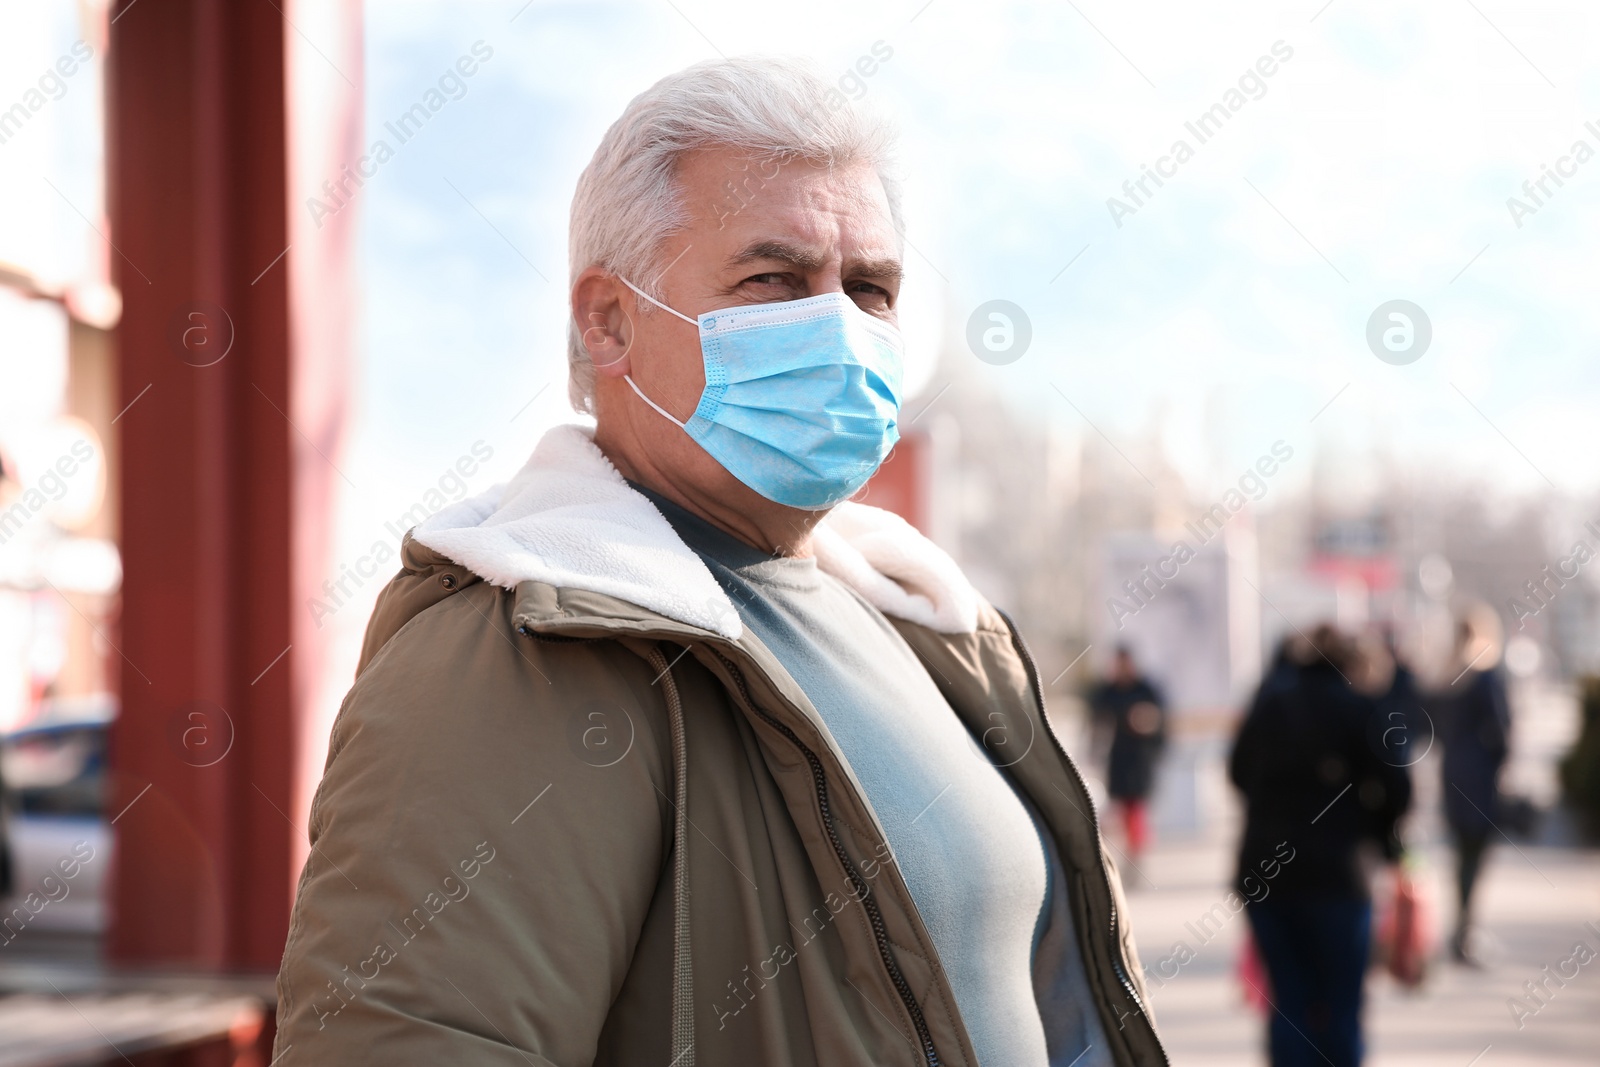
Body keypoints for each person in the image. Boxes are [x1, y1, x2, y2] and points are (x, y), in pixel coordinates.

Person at [272, 58, 1164, 1067]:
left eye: (868, 287)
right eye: (772, 280)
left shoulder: (916, 624)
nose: (837, 326)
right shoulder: (524, 654)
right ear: (608, 319)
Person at [1229, 625, 1411, 1067]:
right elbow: (1400, 789)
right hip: (1341, 875)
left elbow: (1236, 773)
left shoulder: (1269, 705)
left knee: (1288, 1002)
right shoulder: (1362, 708)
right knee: (1342, 1005)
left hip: (1268, 876)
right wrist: (1379, 834)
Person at [1436, 608, 1511, 966]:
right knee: (1473, 859)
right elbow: (1501, 731)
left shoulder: (1448, 676)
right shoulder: (1485, 677)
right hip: (1479, 780)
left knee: (1460, 857)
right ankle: (1465, 931)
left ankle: (1461, 930)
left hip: (1452, 777)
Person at [1089, 646, 1167, 870]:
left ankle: (1135, 856)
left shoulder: (1145, 689)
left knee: (1135, 810)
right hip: (1117, 759)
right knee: (1114, 810)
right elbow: (1096, 721)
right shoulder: (1108, 691)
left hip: (1140, 759)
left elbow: (1160, 722)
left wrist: (1146, 721)